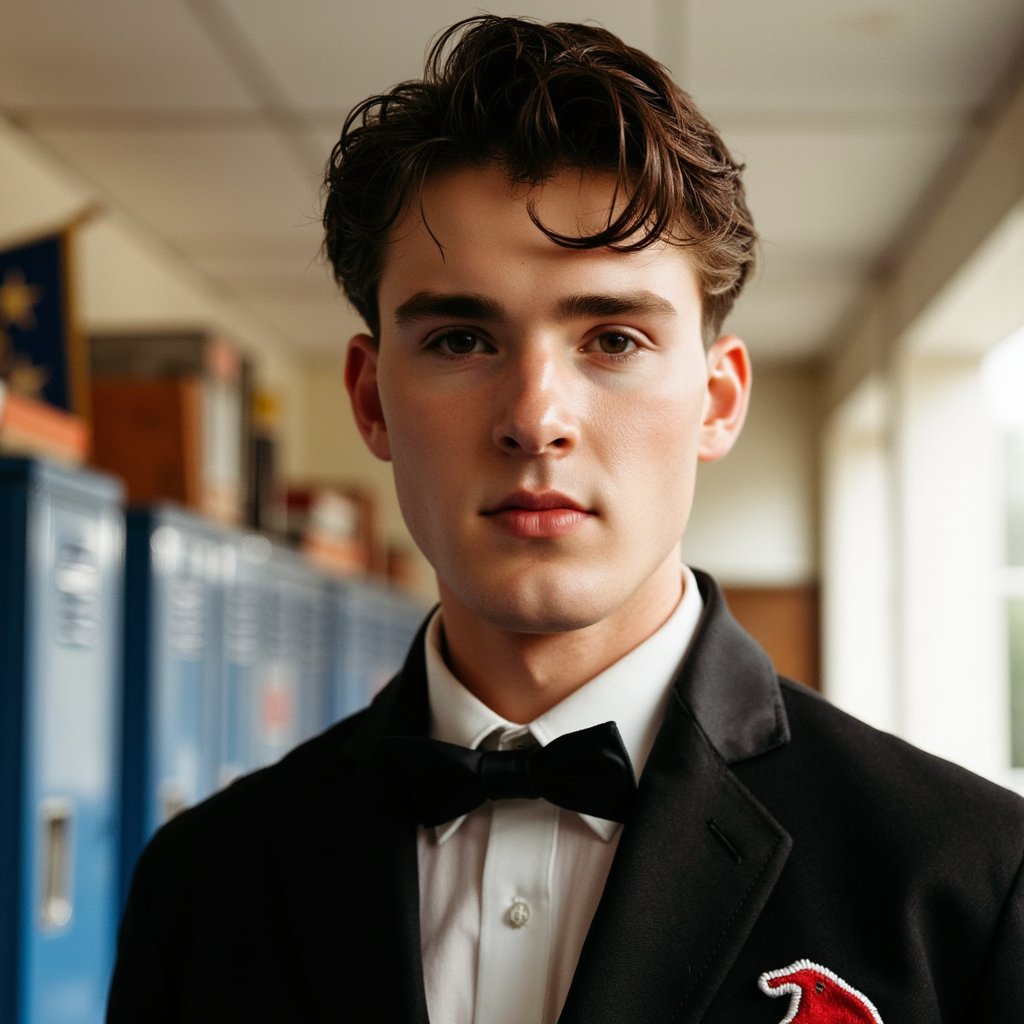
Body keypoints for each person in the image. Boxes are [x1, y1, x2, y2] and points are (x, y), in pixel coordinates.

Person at [107, 15, 1024, 1023]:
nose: (535, 418)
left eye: (614, 338)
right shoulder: (203, 882)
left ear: (717, 400)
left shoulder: (971, 882)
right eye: (461, 337)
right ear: (371, 400)